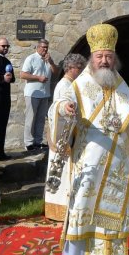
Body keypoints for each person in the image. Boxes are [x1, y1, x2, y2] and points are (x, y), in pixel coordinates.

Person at [51, 23, 129, 255]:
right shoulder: (79, 84)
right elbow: (60, 103)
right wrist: (64, 108)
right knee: (83, 215)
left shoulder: (120, 83)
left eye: (109, 56)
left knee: (112, 220)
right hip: (90, 164)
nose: (105, 60)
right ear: (91, 59)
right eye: (100, 57)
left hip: (116, 167)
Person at [43, 53, 87, 221]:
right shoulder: (64, 85)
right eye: (79, 68)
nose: (81, 71)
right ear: (70, 68)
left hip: (68, 133)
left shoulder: (71, 84)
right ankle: (60, 208)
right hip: (64, 136)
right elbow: (57, 109)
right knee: (60, 170)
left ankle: (66, 206)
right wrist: (65, 109)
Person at [19, 39, 57, 151]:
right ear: (38, 47)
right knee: (30, 118)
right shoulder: (31, 58)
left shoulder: (48, 60)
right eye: (43, 47)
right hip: (32, 93)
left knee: (41, 119)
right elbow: (23, 74)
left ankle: (38, 141)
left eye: (46, 47)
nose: (45, 49)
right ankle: (28, 143)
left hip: (45, 94)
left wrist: (51, 62)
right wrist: (38, 78)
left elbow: (55, 72)